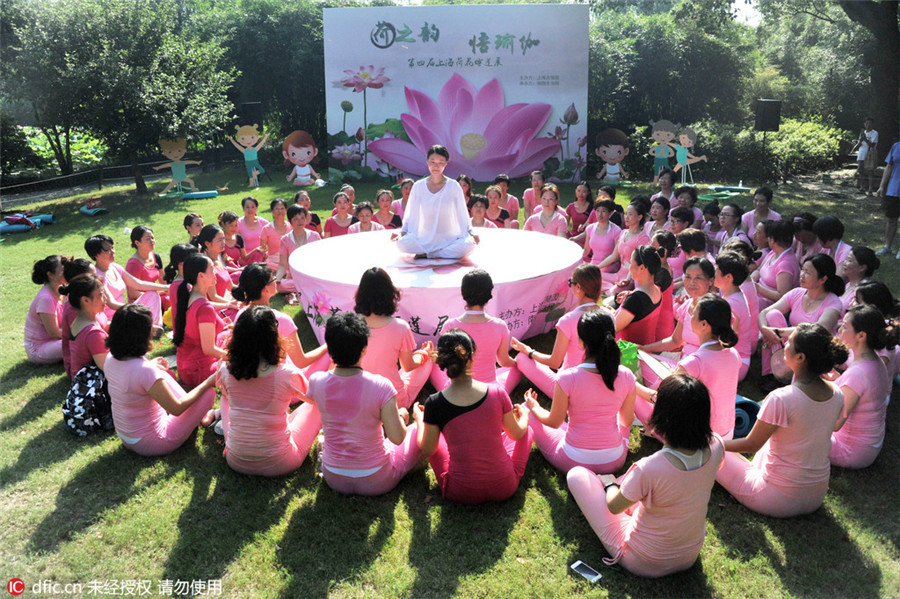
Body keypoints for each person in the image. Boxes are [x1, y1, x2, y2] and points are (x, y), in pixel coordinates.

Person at [568, 374, 724, 578]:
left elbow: (614, 507)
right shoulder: (717, 445)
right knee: (639, 490)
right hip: (689, 554)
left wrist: (609, 484)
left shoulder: (648, 468)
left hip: (643, 559)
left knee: (577, 475)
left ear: (662, 416)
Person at [716, 324, 846, 518]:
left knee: (713, 451)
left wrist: (712, 443)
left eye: (790, 342)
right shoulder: (837, 393)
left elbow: (750, 445)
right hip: (816, 495)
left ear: (801, 358)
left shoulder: (781, 398)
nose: (785, 344)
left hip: (776, 498)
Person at [307, 312, 422, 496]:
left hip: (333, 477)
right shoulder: (381, 386)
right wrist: (402, 415)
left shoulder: (316, 382)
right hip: (377, 479)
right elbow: (398, 438)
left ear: (329, 349)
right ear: (364, 349)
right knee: (418, 429)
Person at [413, 329, 532, 504]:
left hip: (460, 492)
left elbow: (428, 449)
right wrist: (526, 415)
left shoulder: (434, 402)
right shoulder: (497, 392)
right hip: (504, 487)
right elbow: (517, 434)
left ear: (441, 362)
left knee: (433, 439)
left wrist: (418, 419)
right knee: (526, 431)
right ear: (472, 357)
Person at [524, 311, 635, 474]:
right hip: (614, 460)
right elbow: (626, 421)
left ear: (581, 342)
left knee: (526, 411)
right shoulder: (626, 375)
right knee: (620, 425)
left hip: (573, 460)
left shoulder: (568, 378)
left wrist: (533, 406)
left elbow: (554, 421)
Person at [217, 306, 321, 476]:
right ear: (273, 336)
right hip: (280, 462)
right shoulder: (286, 374)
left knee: (226, 399)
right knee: (317, 406)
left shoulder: (225, 370)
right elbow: (316, 400)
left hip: (235, 459)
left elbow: (228, 395)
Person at [105, 304, 216, 456]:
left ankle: (197, 414)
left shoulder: (110, 358)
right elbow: (176, 409)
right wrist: (208, 381)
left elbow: (132, 378)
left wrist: (152, 366)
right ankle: (202, 415)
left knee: (160, 372)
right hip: (154, 442)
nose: (154, 329)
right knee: (209, 393)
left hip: (127, 436)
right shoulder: (144, 370)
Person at [637, 294, 740, 439]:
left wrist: (632, 383)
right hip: (727, 433)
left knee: (634, 392)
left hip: (697, 440)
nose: (689, 317)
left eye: (693, 314)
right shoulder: (734, 354)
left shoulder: (695, 362)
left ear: (704, 324)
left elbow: (659, 399)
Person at [512, 264, 604, 397]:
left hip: (568, 388)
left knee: (521, 358)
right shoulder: (609, 317)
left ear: (578, 287)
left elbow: (554, 362)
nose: (570, 286)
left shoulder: (568, 320)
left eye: (570, 282)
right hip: (599, 385)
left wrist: (528, 351)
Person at [430, 269, 521, 394]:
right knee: (517, 367)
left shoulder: (450, 325)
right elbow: (504, 361)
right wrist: (519, 362)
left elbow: (441, 361)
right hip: (490, 390)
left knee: (430, 364)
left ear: (463, 293)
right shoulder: (500, 326)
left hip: (455, 390)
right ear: (489, 294)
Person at [355, 267, 433, 409]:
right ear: (390, 294)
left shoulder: (351, 325)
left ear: (360, 294)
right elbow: (408, 366)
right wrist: (424, 354)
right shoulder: (400, 327)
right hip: (393, 402)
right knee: (427, 362)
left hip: (360, 399)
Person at [233, 264, 330, 374]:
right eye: (273, 279)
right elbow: (301, 362)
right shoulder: (281, 320)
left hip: (251, 373)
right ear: (265, 290)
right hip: (280, 378)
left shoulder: (241, 314)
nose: (276, 280)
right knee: (331, 350)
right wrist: (327, 345)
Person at [759, 254, 844, 379]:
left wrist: (778, 332)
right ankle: (770, 373)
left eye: (808, 272)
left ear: (822, 279)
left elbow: (818, 330)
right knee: (772, 315)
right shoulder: (797, 293)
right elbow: (764, 313)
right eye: (802, 269)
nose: (802, 275)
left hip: (814, 351)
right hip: (793, 345)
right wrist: (764, 329)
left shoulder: (833, 302)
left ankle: (786, 374)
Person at [830, 305, 896, 469]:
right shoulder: (876, 361)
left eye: (845, 326)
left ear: (861, 335)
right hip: (868, 447)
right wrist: (835, 381)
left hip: (850, 451)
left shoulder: (859, 372)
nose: (839, 330)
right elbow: (857, 391)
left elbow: (836, 422)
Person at [392, 145, 477, 260]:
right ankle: (437, 252)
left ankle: (431, 254)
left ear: (446, 163)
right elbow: (410, 214)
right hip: (424, 237)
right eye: (432, 162)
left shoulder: (453, 186)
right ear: (427, 162)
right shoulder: (418, 186)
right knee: (401, 244)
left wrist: (471, 233)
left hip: (448, 238)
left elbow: (463, 214)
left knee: (468, 246)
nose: (436, 166)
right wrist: (402, 233)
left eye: (440, 162)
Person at [86, 234, 167, 327]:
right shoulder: (97, 276)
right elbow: (111, 304)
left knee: (153, 294)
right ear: (96, 254)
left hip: (125, 311)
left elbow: (138, 284)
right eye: (107, 250)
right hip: (112, 318)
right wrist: (135, 309)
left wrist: (165, 287)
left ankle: (154, 326)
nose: (112, 252)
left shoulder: (115, 267)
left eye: (112, 248)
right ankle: (148, 327)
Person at [173, 255, 227, 388]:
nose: (215, 271)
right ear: (201, 276)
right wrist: (234, 357)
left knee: (228, 335)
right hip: (200, 372)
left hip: (186, 368)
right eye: (211, 268)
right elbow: (209, 349)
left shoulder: (190, 294)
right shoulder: (203, 306)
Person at [60, 274, 108, 380]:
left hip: (81, 381)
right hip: (92, 388)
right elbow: (108, 368)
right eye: (100, 295)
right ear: (85, 300)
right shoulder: (94, 333)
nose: (105, 298)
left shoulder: (79, 320)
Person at [596, 202, 651, 292]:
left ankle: (611, 290)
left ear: (639, 217)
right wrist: (597, 268)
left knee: (613, 291)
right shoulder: (623, 233)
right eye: (626, 214)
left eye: (630, 214)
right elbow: (614, 256)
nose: (626, 217)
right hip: (618, 274)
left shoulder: (643, 239)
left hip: (631, 277)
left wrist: (628, 280)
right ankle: (609, 288)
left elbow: (638, 263)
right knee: (593, 276)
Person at [714, 252, 753, 379]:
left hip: (737, 363)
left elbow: (727, 340)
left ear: (728, 277)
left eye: (717, 271)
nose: (714, 273)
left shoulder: (733, 304)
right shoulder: (732, 295)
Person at [614, 245, 663, 345]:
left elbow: (613, 328)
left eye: (631, 263)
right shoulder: (657, 290)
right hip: (647, 351)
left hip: (630, 354)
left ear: (641, 268)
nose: (629, 268)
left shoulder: (634, 300)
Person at [25, 255, 66, 364]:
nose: (67, 271)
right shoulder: (46, 299)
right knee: (79, 341)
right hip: (39, 348)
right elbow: (54, 332)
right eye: (62, 270)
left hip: (57, 341)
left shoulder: (64, 290)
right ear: (51, 275)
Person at [751, 219, 800, 310]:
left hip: (770, 306)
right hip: (757, 295)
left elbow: (783, 296)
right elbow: (758, 270)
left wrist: (758, 288)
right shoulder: (773, 253)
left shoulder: (786, 264)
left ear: (772, 240)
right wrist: (750, 280)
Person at [275, 205, 321, 294]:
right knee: (281, 286)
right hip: (293, 277)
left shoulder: (314, 236)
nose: (300, 221)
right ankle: (306, 288)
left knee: (319, 282)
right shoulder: (285, 240)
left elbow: (320, 260)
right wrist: (278, 278)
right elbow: (282, 264)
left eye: (302, 218)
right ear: (290, 221)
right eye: (296, 219)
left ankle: (306, 286)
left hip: (312, 276)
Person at [125, 226, 169, 311]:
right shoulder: (133, 264)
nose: (152, 241)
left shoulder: (156, 257)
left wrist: (168, 290)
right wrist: (158, 293)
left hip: (155, 294)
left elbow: (163, 281)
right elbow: (133, 293)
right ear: (137, 243)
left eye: (152, 238)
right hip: (139, 302)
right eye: (148, 239)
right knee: (167, 300)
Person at [875, 139, 900, 259]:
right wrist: (882, 186)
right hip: (893, 190)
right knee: (891, 220)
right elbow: (888, 167)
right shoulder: (896, 146)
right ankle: (887, 247)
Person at [582, 199, 622, 271]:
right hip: (593, 265)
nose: (599, 214)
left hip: (609, 266)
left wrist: (598, 267)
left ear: (610, 213)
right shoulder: (590, 228)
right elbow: (586, 250)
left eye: (603, 211)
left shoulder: (616, 231)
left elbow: (616, 256)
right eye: (597, 211)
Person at [838, 246, 880, 311]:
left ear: (862, 268)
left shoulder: (863, 291)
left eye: (849, 260)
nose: (844, 263)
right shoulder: (848, 284)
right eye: (845, 259)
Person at [259, 198, 290, 269]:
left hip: (289, 261)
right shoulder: (267, 229)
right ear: (272, 211)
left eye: (282, 208)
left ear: (286, 210)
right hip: (273, 262)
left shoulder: (291, 226)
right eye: (277, 209)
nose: (280, 211)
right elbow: (262, 248)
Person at [237, 196, 269, 262]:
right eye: (247, 207)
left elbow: (271, 241)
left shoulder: (264, 223)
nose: (250, 210)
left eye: (252, 207)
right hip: (246, 258)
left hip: (262, 256)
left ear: (256, 208)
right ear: (243, 208)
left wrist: (267, 252)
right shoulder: (238, 223)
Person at [853, 118, 878, 195]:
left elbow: (872, 145)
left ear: (872, 124)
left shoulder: (875, 133)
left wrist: (865, 139)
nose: (868, 125)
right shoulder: (862, 133)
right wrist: (860, 140)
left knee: (870, 172)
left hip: (869, 155)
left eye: (870, 123)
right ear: (864, 124)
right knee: (861, 172)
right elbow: (859, 144)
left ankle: (870, 189)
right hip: (861, 154)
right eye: (866, 123)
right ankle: (862, 187)